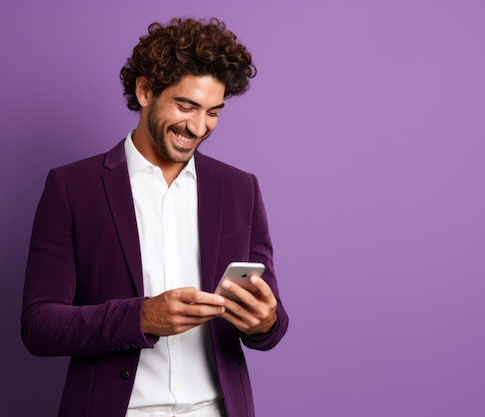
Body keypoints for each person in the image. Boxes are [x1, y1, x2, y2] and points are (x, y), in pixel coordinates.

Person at [21, 17, 288, 417]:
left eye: (213, 112)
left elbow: (272, 324)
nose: (198, 127)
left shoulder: (240, 189)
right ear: (145, 91)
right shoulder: (72, 187)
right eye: (186, 106)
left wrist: (265, 322)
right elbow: (39, 326)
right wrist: (141, 317)